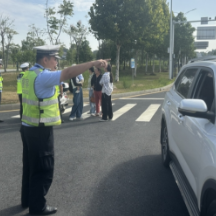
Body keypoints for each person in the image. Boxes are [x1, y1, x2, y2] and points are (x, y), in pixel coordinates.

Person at [19, 44, 109, 215]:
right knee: (43, 169)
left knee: (30, 167)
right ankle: (37, 207)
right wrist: (94, 62)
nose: (56, 63)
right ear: (45, 59)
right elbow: (68, 73)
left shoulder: (29, 73)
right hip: (39, 129)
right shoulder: (43, 75)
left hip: (27, 127)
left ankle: (27, 200)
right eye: (54, 59)